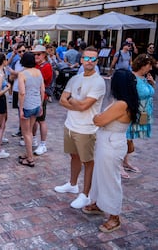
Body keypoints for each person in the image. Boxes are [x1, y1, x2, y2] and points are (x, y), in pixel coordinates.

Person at [82, 69, 139, 233]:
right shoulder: (120, 101)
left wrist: (97, 118)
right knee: (100, 176)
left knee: (110, 179)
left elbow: (99, 120)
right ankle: (98, 204)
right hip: (107, 141)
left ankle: (114, 216)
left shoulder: (121, 104)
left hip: (111, 143)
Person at [54, 47, 106, 209]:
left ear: (96, 62)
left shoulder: (98, 82)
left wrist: (74, 102)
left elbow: (84, 105)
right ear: (81, 59)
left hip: (86, 129)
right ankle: (72, 184)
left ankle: (85, 194)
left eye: (93, 59)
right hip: (70, 125)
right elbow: (62, 100)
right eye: (87, 58)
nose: (89, 62)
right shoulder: (75, 78)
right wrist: (77, 104)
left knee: (88, 162)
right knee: (74, 156)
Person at [123, 54, 156, 178]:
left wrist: (152, 83)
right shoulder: (131, 77)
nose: (151, 68)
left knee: (132, 136)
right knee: (126, 136)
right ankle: (119, 165)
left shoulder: (144, 77)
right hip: (134, 110)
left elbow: (149, 93)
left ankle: (125, 162)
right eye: (149, 65)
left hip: (144, 111)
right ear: (142, 65)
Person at [17, 52, 44, 167]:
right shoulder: (38, 72)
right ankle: (28, 152)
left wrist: (21, 108)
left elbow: (22, 93)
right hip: (37, 104)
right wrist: (41, 104)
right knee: (30, 131)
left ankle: (30, 158)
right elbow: (42, 90)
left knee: (26, 132)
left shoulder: (22, 74)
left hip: (27, 105)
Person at [32, 45, 53, 155]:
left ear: (44, 55)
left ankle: (43, 144)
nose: (36, 56)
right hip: (34, 95)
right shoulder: (36, 65)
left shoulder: (46, 67)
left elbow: (40, 82)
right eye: (34, 54)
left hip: (41, 96)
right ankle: (34, 138)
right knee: (34, 120)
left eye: (38, 54)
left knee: (41, 120)